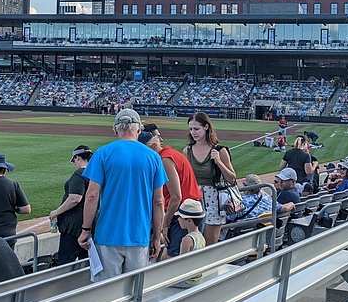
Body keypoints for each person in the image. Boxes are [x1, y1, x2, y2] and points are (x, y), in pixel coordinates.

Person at [79, 108, 168, 282]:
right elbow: (158, 202)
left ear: (115, 129)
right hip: (139, 235)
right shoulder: (153, 157)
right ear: (139, 129)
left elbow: (92, 196)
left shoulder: (103, 153)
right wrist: (157, 237)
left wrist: (85, 230)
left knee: (105, 293)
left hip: (108, 235)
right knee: (135, 292)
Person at [141, 124, 202, 258]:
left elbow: (176, 197)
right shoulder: (169, 155)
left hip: (183, 211)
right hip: (186, 208)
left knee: (176, 255)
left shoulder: (165, 159)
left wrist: (165, 224)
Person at [185, 111, 236, 246]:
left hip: (213, 200)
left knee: (209, 244)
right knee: (193, 242)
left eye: (196, 129)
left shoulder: (219, 150)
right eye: (191, 129)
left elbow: (232, 179)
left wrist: (218, 162)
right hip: (194, 199)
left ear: (206, 127)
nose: (193, 132)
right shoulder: (187, 151)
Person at [49, 146, 93, 265]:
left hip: (73, 227)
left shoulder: (79, 175)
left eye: (74, 160)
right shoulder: (95, 174)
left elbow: (74, 198)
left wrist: (56, 212)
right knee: (87, 263)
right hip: (90, 225)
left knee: (65, 263)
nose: (74, 164)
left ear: (77, 158)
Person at [172, 199, 207, 288]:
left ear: (189, 220)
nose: (178, 219)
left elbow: (182, 264)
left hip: (187, 281)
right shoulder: (201, 237)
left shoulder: (187, 240)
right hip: (198, 278)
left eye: (180, 217)